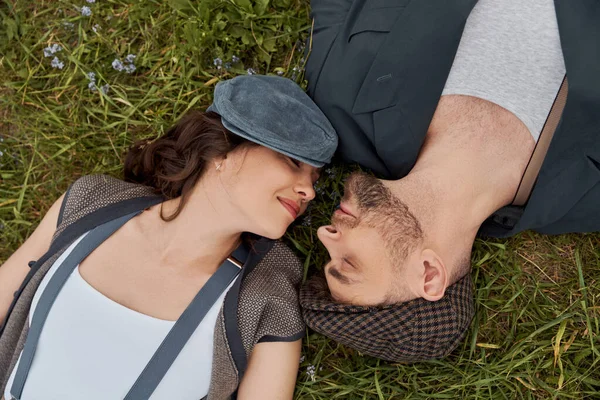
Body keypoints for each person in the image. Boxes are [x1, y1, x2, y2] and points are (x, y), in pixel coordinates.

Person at [0, 75, 337, 400]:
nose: (308, 191)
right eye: (293, 161)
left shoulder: (267, 293)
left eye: (315, 178)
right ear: (222, 152)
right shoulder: (92, 201)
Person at [300, 0, 600, 362]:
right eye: (347, 264)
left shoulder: (341, 103)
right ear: (428, 274)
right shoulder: (588, 191)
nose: (324, 235)